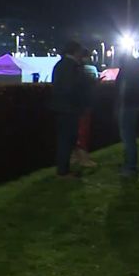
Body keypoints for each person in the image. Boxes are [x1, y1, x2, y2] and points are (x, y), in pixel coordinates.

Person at [50, 41, 91, 178]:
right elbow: (71, 88)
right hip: (68, 109)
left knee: (65, 139)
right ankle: (63, 170)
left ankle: (64, 168)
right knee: (66, 140)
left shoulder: (61, 65)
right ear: (75, 51)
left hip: (63, 108)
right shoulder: (71, 66)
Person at [116, 57, 139, 177]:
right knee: (130, 137)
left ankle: (130, 167)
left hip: (126, 107)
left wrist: (119, 105)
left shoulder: (126, 73)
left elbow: (121, 91)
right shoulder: (136, 73)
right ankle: (130, 165)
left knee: (127, 137)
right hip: (133, 107)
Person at [71, 49, 99, 167]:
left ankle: (75, 156)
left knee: (78, 133)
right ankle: (82, 158)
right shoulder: (82, 69)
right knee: (82, 133)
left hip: (79, 105)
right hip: (82, 106)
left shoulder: (77, 68)